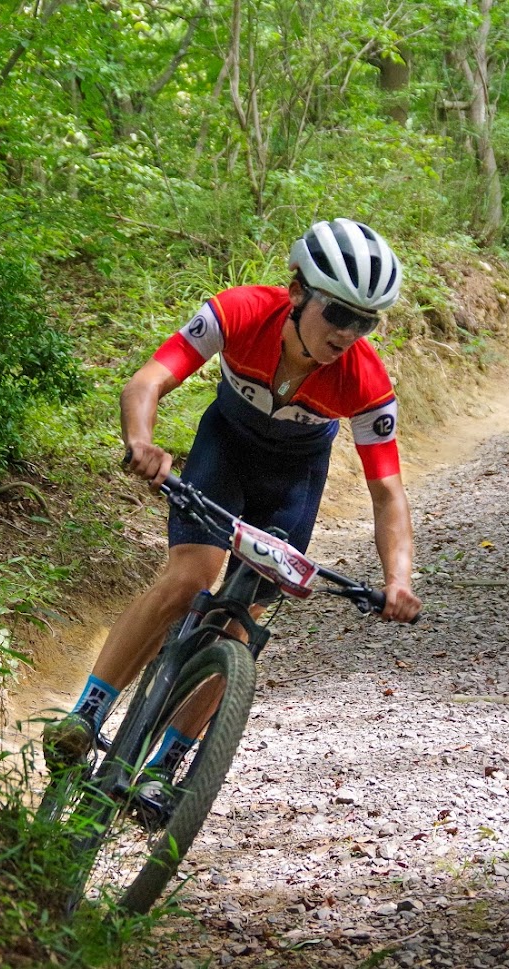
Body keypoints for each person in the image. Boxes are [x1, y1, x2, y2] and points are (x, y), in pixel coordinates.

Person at [43, 218, 423, 766]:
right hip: (225, 450)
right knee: (190, 577)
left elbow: (388, 493)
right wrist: (142, 441)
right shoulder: (241, 311)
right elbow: (148, 380)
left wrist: (398, 579)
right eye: (337, 313)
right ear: (297, 291)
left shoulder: (365, 380)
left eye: (364, 321)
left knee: (243, 621)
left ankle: (169, 760)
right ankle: (87, 712)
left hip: (294, 480)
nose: (347, 333)